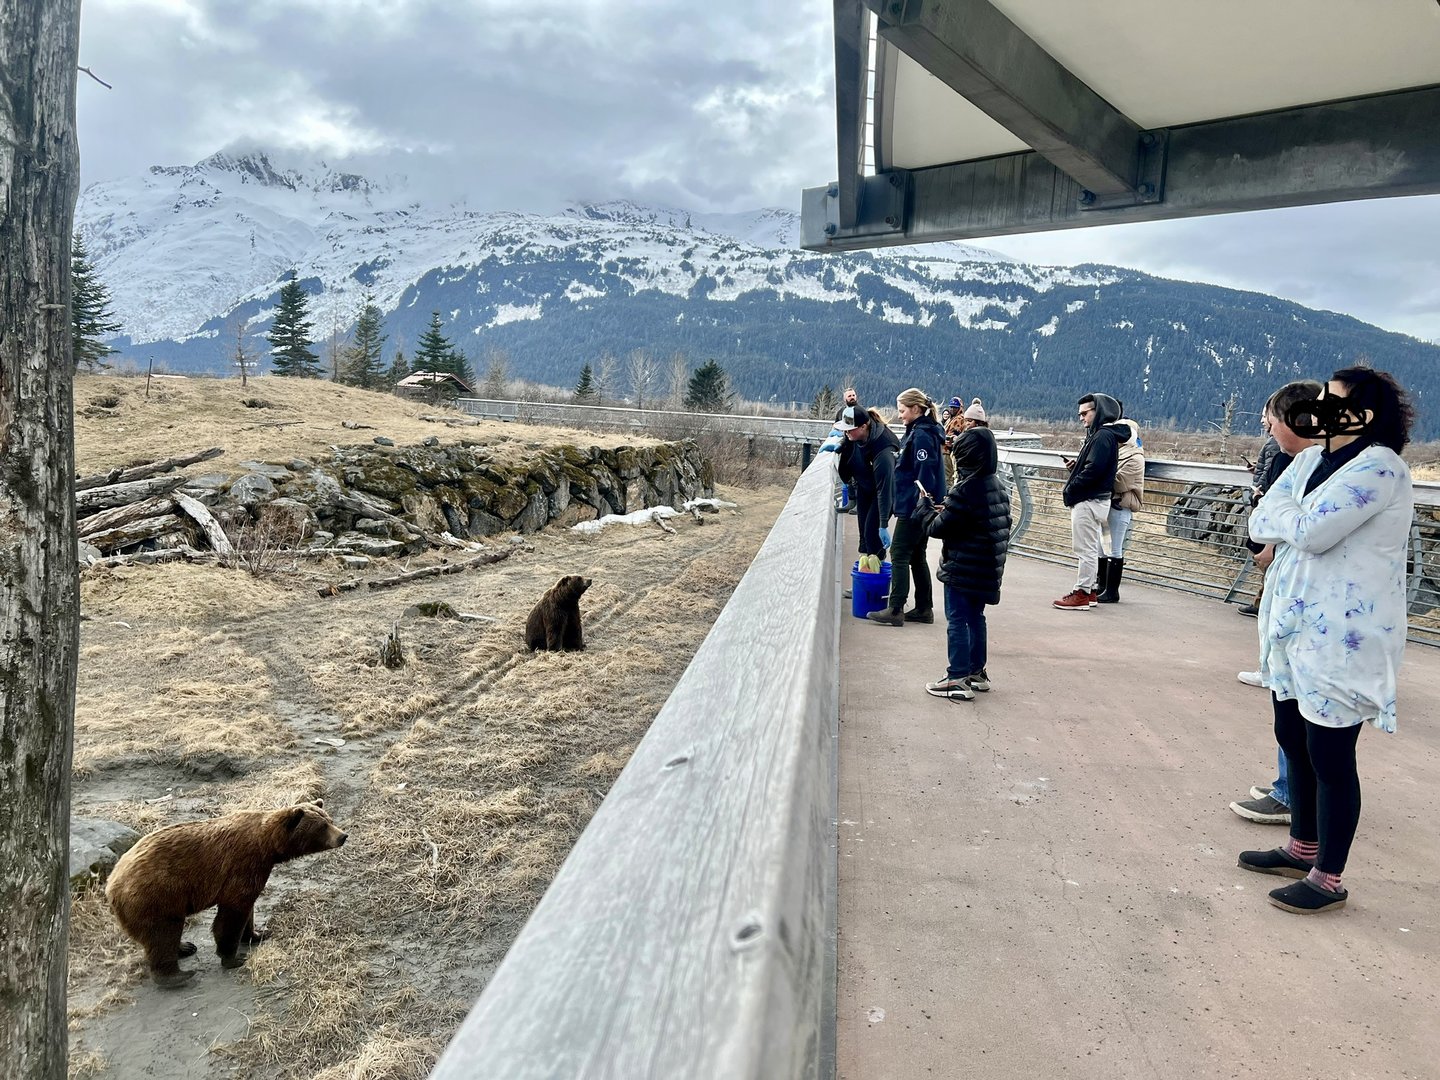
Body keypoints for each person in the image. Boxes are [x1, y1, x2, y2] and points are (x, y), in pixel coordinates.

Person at [1237, 367, 1415, 915]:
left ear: (1364, 412)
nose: (1320, 408)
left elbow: (1312, 532)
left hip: (1345, 635)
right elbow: (1263, 522)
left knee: (1331, 755)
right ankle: (1301, 846)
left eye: (1332, 400)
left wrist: (1293, 517)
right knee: (1291, 735)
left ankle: (1328, 878)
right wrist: (1294, 517)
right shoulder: (1312, 459)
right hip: (1292, 629)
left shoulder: (1381, 468)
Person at [1228, 379, 1320, 826]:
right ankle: (1291, 788)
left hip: (1308, 614)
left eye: (1271, 416)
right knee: (1289, 708)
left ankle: (1293, 797)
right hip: (1292, 602)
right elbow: (1267, 518)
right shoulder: (1308, 462)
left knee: (1299, 710)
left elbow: (1289, 526)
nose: (1265, 423)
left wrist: (1270, 526)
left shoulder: (1313, 465)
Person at [921, 418, 1012, 700]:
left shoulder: (965, 490)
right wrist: (947, 509)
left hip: (963, 567)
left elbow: (937, 528)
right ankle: (976, 673)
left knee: (957, 619)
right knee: (976, 617)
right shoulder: (997, 486)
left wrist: (925, 508)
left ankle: (957, 677)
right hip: (986, 568)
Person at [868, 389, 946, 626]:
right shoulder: (923, 432)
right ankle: (924, 608)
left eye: (902, 410)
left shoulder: (921, 435)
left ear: (916, 409)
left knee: (899, 553)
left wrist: (919, 503)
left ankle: (895, 608)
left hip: (914, 506)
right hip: (920, 505)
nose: (899, 415)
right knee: (916, 556)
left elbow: (925, 473)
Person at [1054, 393, 1130, 610]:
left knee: (1085, 548)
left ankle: (1082, 593)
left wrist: (1072, 487)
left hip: (1089, 499)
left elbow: (1094, 470)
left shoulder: (1101, 437)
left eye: (1085, 413)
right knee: (1089, 547)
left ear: (1099, 412)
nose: (1081, 418)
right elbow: (1095, 466)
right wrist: (1077, 468)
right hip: (1095, 499)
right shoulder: (1104, 436)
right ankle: (1090, 594)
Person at [837, 403, 900, 570]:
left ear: (864, 426)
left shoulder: (884, 448)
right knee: (864, 537)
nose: (846, 432)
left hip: (883, 492)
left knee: (873, 536)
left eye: (850, 429)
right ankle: (863, 581)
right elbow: (849, 442)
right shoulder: (854, 436)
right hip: (864, 487)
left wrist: (884, 523)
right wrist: (840, 447)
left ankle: (873, 587)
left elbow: (885, 489)